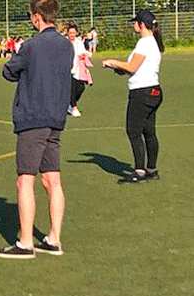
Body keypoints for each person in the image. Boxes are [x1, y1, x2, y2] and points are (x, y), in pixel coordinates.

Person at [0, 0, 73, 259]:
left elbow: (8, 71)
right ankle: (54, 238)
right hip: (56, 118)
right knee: (53, 179)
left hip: (33, 118)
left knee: (24, 179)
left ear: (36, 17)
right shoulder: (67, 45)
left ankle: (25, 242)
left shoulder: (31, 45)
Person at [101, 10, 164, 183]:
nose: (133, 25)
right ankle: (151, 169)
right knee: (149, 131)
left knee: (133, 131)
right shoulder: (153, 42)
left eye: (135, 22)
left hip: (141, 92)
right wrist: (120, 69)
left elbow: (133, 67)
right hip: (154, 90)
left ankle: (139, 172)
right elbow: (135, 67)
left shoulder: (144, 43)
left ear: (141, 25)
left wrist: (112, 62)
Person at [67, 23, 92, 118]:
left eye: (73, 33)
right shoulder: (65, 42)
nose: (72, 35)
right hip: (67, 70)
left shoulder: (79, 42)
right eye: (70, 33)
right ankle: (74, 107)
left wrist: (88, 54)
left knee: (81, 88)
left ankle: (70, 104)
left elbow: (82, 51)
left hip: (78, 69)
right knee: (72, 89)